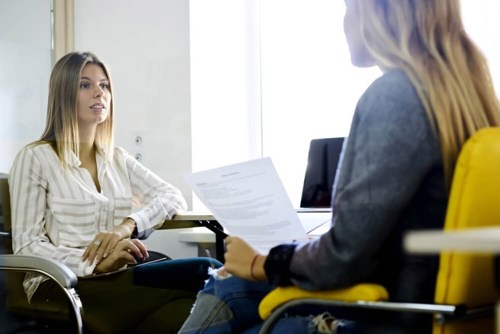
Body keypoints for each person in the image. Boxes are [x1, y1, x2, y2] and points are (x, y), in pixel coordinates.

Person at [178, 0, 500, 333]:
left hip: (388, 314)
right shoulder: (470, 97)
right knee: (229, 285)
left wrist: (262, 263)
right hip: (436, 310)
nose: (344, 22)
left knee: (225, 285)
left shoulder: (397, 96)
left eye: (348, 7)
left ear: (380, 9)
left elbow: (344, 258)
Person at [9, 51, 221, 333]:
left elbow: (172, 196)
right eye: (85, 85)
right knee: (204, 270)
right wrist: (96, 263)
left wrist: (127, 226)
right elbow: (28, 247)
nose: (99, 92)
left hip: (116, 281)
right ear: (64, 94)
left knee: (192, 310)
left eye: (104, 85)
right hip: (62, 286)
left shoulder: (116, 158)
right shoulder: (35, 158)